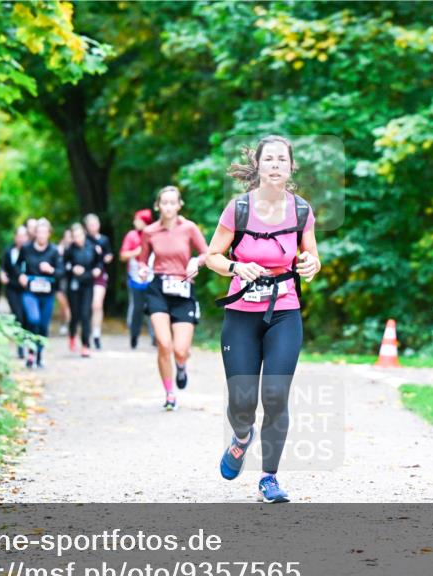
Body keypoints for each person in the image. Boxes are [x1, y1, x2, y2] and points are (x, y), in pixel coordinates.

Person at [205, 135, 321, 503]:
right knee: (242, 402)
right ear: (257, 165)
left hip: (284, 312)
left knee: (275, 396)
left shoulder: (301, 211)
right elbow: (212, 256)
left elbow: (311, 258)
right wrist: (237, 265)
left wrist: (311, 265)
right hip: (241, 314)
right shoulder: (237, 209)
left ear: (290, 167)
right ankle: (241, 437)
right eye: (268, 159)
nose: (275, 165)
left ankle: (269, 477)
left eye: (281, 159)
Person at [137, 186, 209, 410]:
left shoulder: (189, 228)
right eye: (164, 202)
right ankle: (169, 394)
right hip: (158, 288)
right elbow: (142, 259)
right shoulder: (149, 231)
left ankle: (181, 365)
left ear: (179, 205)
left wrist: (195, 262)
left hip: (183, 288)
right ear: (158, 206)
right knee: (163, 344)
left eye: (172, 202)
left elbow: (207, 253)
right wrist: (141, 270)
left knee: (180, 349)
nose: (168, 206)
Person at [17, 218, 64, 369]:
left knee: (43, 325)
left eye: (45, 232)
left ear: (49, 234)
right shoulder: (26, 248)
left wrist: (51, 270)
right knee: (33, 319)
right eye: (39, 232)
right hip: (30, 292)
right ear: (35, 233)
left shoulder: (54, 251)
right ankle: (31, 352)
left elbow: (61, 272)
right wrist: (21, 275)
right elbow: (17, 265)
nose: (42, 235)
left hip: (47, 293)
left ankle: (39, 355)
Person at [119, 208, 156, 349]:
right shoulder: (132, 235)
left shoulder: (153, 234)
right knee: (137, 308)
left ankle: (155, 338)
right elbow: (123, 255)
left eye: (137, 219)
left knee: (154, 307)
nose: (134, 222)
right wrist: (137, 252)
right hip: (135, 278)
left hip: (152, 277)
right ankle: (134, 336)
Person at [64, 222, 102, 357]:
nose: (78, 238)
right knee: (75, 315)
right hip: (74, 285)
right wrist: (72, 268)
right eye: (75, 236)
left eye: (80, 235)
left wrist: (98, 269)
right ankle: (72, 334)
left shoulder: (92, 248)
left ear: (84, 235)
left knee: (86, 314)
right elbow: (64, 266)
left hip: (88, 284)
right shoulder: (69, 250)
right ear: (72, 238)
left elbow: (99, 263)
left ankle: (86, 345)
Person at [85, 214, 114, 350]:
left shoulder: (104, 240)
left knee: (97, 304)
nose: (93, 227)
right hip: (86, 275)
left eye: (95, 224)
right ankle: (87, 332)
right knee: (87, 306)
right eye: (90, 224)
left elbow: (109, 255)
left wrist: (106, 257)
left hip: (100, 275)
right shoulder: (84, 240)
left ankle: (96, 333)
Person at [0, 225, 29, 359]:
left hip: (26, 288)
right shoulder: (8, 251)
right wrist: (2, 274)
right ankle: (20, 345)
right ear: (15, 237)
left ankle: (28, 342)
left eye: (24, 236)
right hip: (12, 288)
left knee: (27, 316)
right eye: (19, 236)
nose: (21, 239)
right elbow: (2, 266)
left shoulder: (30, 251)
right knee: (18, 315)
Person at [55, 227, 73, 336]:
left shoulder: (75, 249)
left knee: (70, 304)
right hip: (61, 280)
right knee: (64, 305)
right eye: (67, 236)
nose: (69, 239)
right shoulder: (59, 249)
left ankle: (69, 324)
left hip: (72, 279)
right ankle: (64, 324)